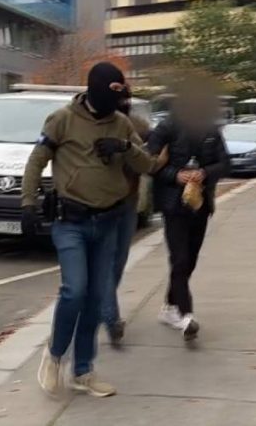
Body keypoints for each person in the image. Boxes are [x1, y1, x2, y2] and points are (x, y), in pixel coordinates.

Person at [21, 62, 157, 398]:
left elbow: (148, 165)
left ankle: (83, 371)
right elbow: (37, 160)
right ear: (96, 88)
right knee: (75, 290)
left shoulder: (122, 124)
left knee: (95, 298)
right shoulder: (62, 119)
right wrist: (28, 202)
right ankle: (55, 355)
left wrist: (124, 147)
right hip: (71, 222)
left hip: (108, 222)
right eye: (114, 91)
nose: (118, 100)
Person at [147, 89, 230, 341]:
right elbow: (149, 163)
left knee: (189, 259)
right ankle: (186, 316)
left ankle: (170, 306)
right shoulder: (166, 128)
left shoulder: (210, 130)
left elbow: (225, 163)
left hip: (199, 204)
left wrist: (204, 173)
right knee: (180, 258)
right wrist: (176, 175)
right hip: (173, 204)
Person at [101, 86, 152, 346]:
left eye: (126, 98)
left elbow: (146, 160)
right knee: (107, 262)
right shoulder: (95, 124)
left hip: (128, 202)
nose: (123, 103)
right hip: (103, 204)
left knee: (118, 263)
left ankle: (103, 304)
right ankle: (111, 319)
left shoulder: (137, 126)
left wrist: (128, 148)